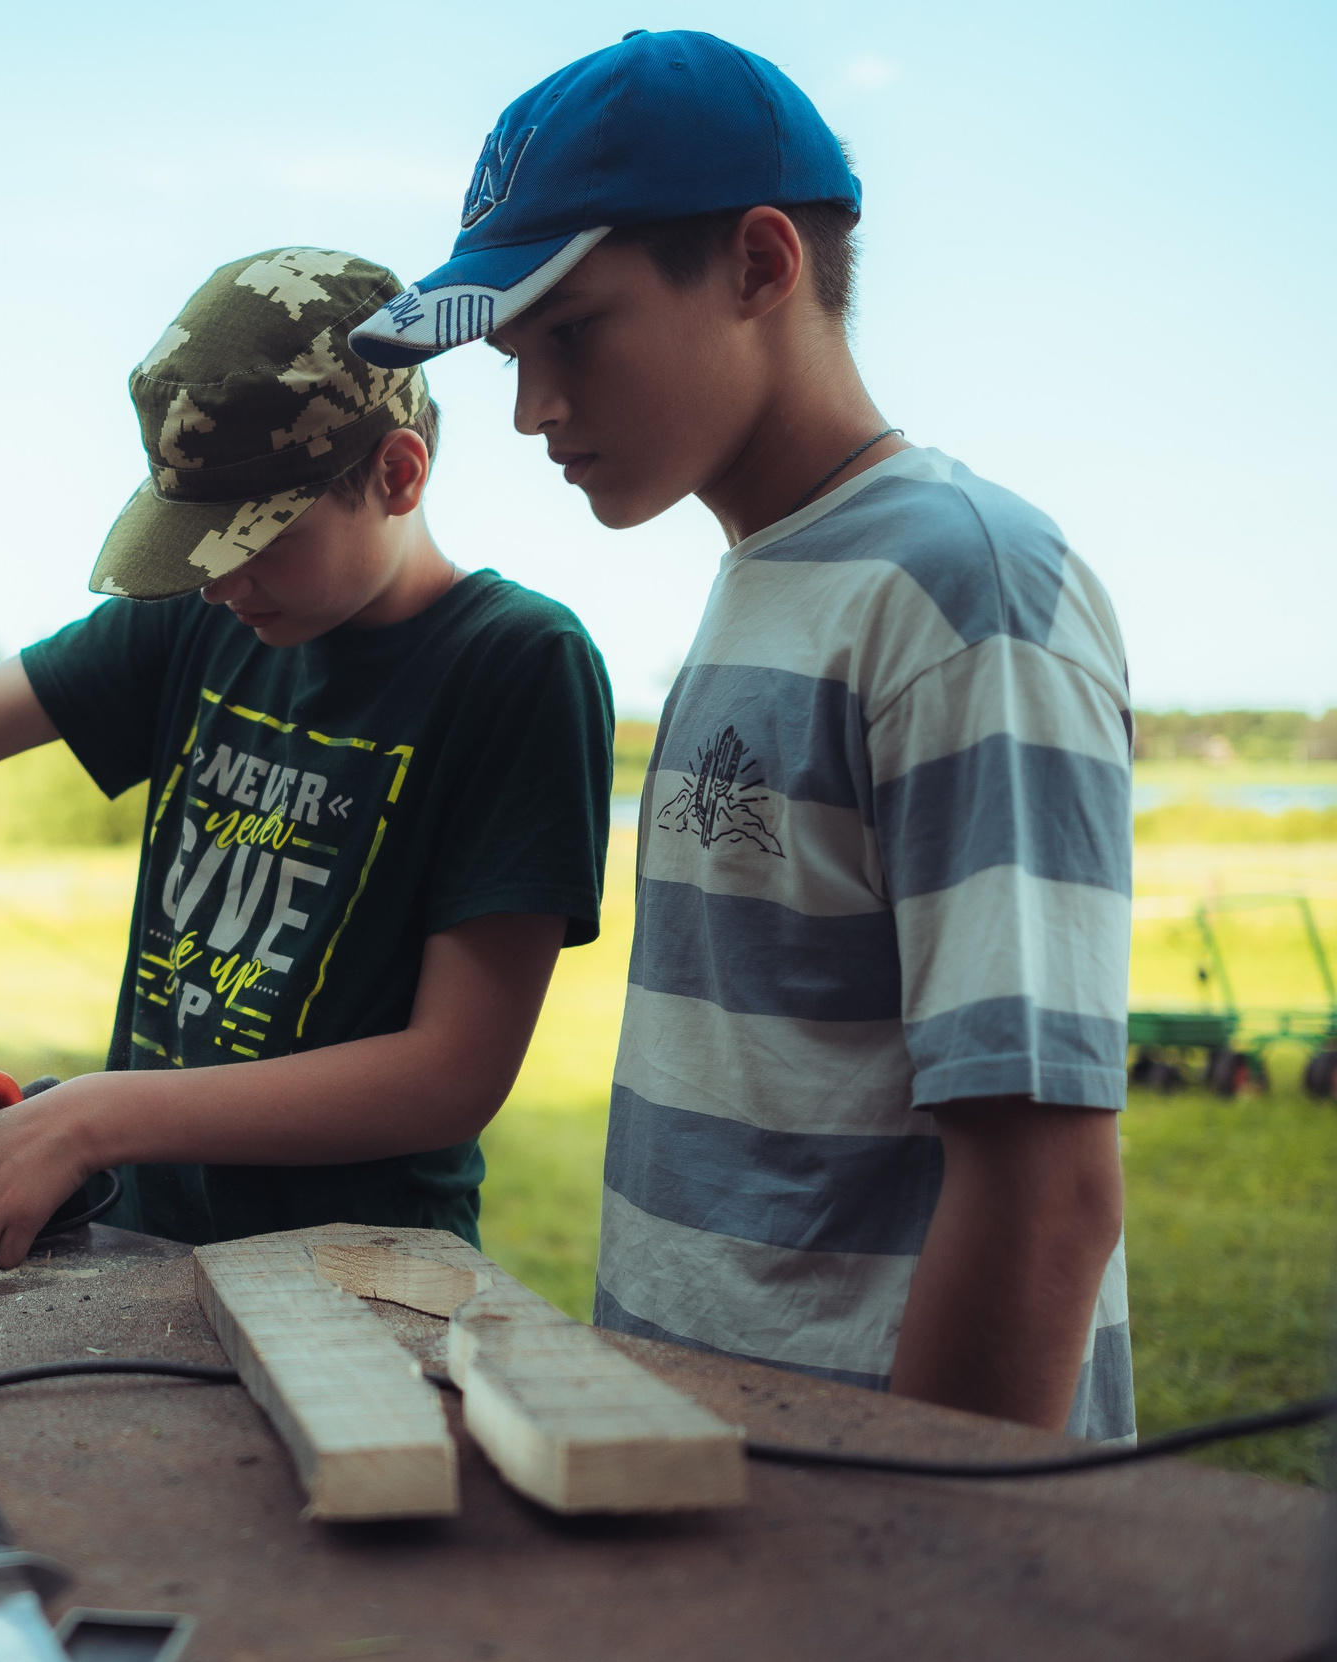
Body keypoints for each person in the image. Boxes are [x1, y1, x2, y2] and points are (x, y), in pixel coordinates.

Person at [349, 30, 1134, 1438]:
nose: (529, 410)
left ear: (761, 265)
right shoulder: (768, 575)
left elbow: (1046, 1187)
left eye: (571, 332)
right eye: (514, 356)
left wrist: (921, 1525)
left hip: (878, 1512)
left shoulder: (965, 592)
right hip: (718, 1463)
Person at [0, 247, 614, 1272]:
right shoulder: (211, 622)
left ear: (397, 474)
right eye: (193, 543)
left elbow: (449, 1076)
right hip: (146, 1247)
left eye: (253, 540)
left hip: (363, 1274)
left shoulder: (515, 663)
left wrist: (89, 1120)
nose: (215, 582)